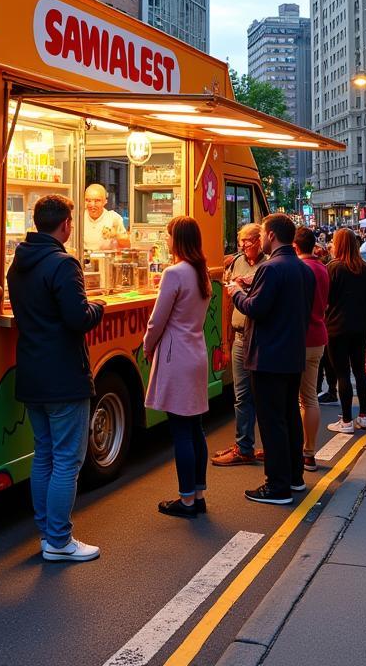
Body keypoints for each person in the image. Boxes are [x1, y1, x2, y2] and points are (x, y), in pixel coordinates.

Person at [8, 194, 105, 562]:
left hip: (32, 372)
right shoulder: (64, 264)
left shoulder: (18, 264)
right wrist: (98, 307)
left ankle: (48, 533)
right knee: (67, 459)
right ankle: (60, 540)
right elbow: (77, 318)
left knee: (44, 454)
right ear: (65, 225)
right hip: (64, 374)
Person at [226, 213, 315, 506]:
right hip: (292, 354)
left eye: (263, 233)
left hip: (268, 356)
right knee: (289, 416)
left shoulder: (272, 268)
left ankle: (277, 486)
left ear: (272, 235)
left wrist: (237, 292)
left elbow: (256, 309)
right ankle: (294, 477)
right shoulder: (303, 269)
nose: (262, 238)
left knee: (271, 421)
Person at [144, 216, 213, 518]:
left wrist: (147, 345)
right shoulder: (202, 272)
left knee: (181, 431)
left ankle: (186, 500)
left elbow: (157, 320)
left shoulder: (174, 273)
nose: (167, 240)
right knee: (195, 428)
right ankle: (198, 494)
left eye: (169, 235)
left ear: (178, 239)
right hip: (196, 353)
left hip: (176, 357)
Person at [212, 224, 265, 467]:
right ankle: (244, 446)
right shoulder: (235, 263)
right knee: (241, 396)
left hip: (262, 339)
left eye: (249, 241)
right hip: (240, 337)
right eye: (241, 241)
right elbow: (227, 303)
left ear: (260, 239)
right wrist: (226, 339)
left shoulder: (269, 264)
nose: (244, 245)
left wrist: (246, 284)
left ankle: (268, 446)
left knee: (263, 395)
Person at [324, 229, 366, 434]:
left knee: (342, 373)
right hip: (360, 326)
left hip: (336, 327)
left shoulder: (333, 268)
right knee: (359, 371)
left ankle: (346, 420)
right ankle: (363, 416)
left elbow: (325, 299)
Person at [294, 226, 330, 471]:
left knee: (296, 400)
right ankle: (309, 451)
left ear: (295, 247)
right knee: (310, 398)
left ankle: (298, 450)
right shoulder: (323, 268)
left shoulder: (300, 269)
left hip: (299, 338)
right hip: (319, 335)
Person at [82, 182, 129, 250]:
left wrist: (116, 235)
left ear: (105, 201)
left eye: (97, 201)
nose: (92, 205)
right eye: (88, 200)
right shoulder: (78, 218)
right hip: (83, 259)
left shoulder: (114, 218)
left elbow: (127, 246)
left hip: (107, 259)